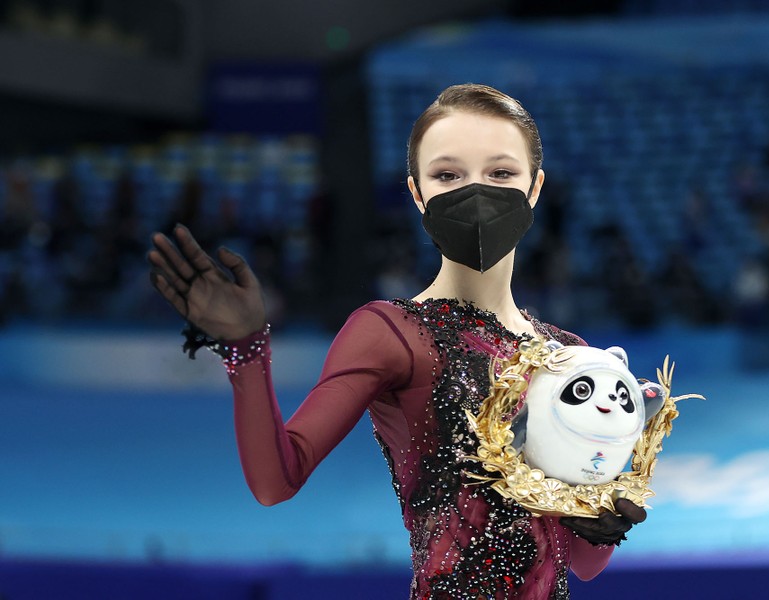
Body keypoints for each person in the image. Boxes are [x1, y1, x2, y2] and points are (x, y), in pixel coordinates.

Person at [147, 83, 646, 599]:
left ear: (535, 188)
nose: (476, 192)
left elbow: (583, 563)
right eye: (448, 174)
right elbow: (276, 480)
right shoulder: (392, 332)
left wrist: (601, 517)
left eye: (500, 173)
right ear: (417, 192)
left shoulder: (570, 357)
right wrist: (247, 346)